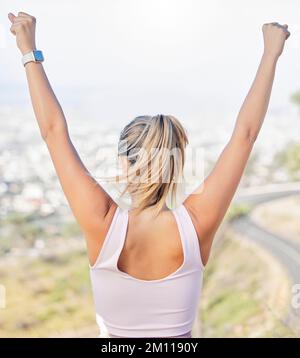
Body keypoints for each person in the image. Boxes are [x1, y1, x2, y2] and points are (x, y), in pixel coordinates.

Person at [8, 11, 290, 338]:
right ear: (175, 165)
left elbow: (54, 132)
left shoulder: (102, 223)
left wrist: (29, 51)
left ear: (124, 163)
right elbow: (245, 135)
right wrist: (271, 55)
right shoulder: (195, 225)